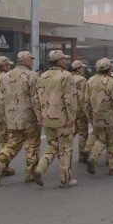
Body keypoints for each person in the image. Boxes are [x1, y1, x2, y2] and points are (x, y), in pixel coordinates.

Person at [0, 52, 41, 184]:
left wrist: (5, 116)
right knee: (32, 145)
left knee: (12, 143)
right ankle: (30, 173)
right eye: (31, 60)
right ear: (25, 61)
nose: (32, 63)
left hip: (12, 117)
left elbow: (1, 99)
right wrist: (40, 117)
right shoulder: (32, 76)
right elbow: (35, 99)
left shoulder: (5, 76)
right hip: (29, 118)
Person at [32, 50, 78, 188]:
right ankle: (66, 179)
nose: (65, 61)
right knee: (65, 149)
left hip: (47, 118)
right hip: (62, 119)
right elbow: (69, 99)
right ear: (58, 61)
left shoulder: (42, 77)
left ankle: (40, 168)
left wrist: (39, 117)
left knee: (52, 146)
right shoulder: (66, 76)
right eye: (63, 59)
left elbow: (36, 100)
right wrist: (72, 117)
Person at [85, 58, 113, 176]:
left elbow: (86, 101)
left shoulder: (90, 81)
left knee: (100, 139)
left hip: (96, 117)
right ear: (110, 69)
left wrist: (89, 117)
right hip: (110, 117)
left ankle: (93, 157)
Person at [70, 60, 89, 163]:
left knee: (72, 131)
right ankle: (82, 155)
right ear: (78, 69)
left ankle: (61, 149)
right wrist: (85, 111)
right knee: (83, 132)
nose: (84, 69)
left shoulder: (68, 77)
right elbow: (82, 96)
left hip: (70, 110)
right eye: (82, 67)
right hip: (79, 109)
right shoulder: (82, 79)